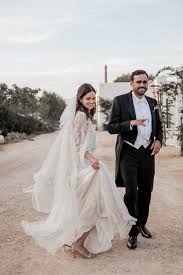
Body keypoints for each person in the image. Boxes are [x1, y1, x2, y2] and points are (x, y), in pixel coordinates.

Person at [22, 83, 136, 259]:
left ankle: (78, 241)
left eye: (93, 98)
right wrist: (92, 160)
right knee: (96, 206)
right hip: (84, 167)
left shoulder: (86, 116)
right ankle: (78, 243)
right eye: (87, 98)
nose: (91, 101)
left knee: (92, 206)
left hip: (87, 165)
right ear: (80, 99)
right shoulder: (81, 116)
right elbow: (76, 146)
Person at [108, 70, 163, 249]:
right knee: (131, 191)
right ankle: (132, 231)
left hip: (147, 153)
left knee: (146, 190)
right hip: (128, 153)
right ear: (131, 83)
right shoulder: (120, 101)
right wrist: (130, 123)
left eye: (145, 82)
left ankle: (141, 224)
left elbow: (159, 126)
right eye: (138, 82)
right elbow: (111, 127)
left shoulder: (153, 102)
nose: (142, 85)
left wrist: (158, 140)